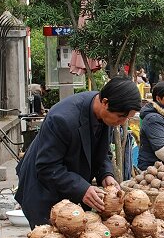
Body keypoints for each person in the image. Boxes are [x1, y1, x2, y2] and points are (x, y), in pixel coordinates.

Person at [15, 77, 141, 226]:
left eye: (128, 117)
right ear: (105, 102)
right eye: (121, 116)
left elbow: (102, 151)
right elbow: (47, 167)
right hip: (43, 188)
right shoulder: (62, 119)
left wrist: (106, 174)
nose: (123, 122)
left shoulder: (105, 112)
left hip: (68, 187)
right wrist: (82, 189)